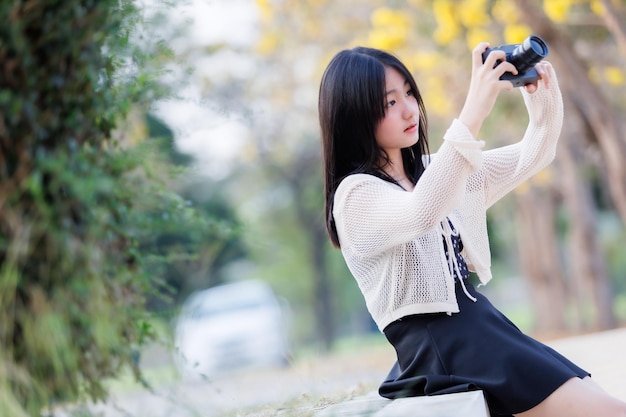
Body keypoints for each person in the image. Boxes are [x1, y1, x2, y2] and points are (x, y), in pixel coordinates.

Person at [318, 43, 626, 417]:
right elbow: (421, 212)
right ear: (355, 117)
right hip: (447, 346)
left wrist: (541, 89)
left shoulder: (437, 171)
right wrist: (474, 109)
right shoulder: (355, 196)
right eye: (389, 103)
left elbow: (534, 154)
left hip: (484, 328)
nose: (409, 109)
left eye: (410, 93)